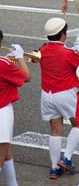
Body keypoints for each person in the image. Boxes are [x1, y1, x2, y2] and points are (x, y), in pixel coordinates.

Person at [39, 18, 79, 179]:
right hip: (65, 93)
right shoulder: (67, 53)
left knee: (55, 130)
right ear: (63, 34)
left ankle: (54, 168)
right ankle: (66, 158)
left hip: (47, 94)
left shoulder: (42, 50)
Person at [0, 31, 30, 186]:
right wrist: (19, 57)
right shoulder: (4, 64)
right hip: (2, 112)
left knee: (7, 152)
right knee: (2, 151)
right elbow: (26, 77)